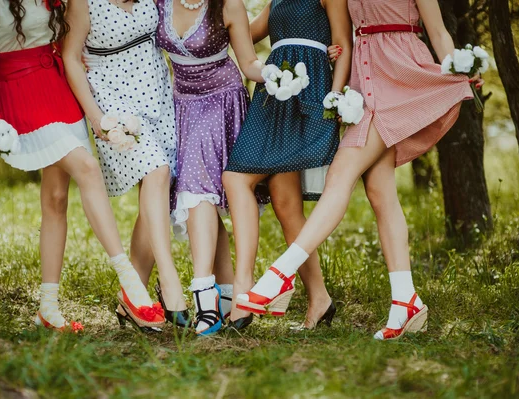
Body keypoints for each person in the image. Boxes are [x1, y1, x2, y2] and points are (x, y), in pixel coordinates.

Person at [237, 0, 485, 340]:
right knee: (380, 193)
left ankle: (279, 275)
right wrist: (327, 52)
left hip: (400, 72)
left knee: (341, 175)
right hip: (365, 80)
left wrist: (458, 67)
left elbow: (439, 31)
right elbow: (331, 25)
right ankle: (406, 301)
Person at [0, 0, 165, 331]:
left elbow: (76, 39)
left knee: (56, 199)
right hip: (16, 89)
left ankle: (47, 309)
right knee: (87, 168)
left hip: (56, 87)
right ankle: (130, 281)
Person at [222, 0, 352, 329]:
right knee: (285, 203)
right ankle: (320, 299)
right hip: (274, 94)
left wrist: (333, 100)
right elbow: (243, 33)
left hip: (310, 92)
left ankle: (243, 291)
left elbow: (344, 45)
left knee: (236, 178)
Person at [62, 0, 189, 328]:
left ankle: (132, 300)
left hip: (157, 90)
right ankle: (170, 281)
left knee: (157, 185)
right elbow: (70, 58)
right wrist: (97, 117)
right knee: (156, 172)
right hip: (111, 99)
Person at [154, 0, 267, 335]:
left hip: (221, 100)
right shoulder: (158, 4)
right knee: (199, 197)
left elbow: (248, 62)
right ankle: (228, 294)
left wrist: (277, 75)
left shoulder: (228, 5)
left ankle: (204, 296)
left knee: (197, 190)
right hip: (181, 103)